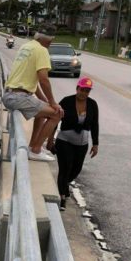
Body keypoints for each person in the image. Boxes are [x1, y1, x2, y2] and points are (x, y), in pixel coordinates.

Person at [1, 32, 63, 162]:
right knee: (57, 114)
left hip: (9, 93)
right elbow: (43, 79)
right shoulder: (42, 50)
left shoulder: (27, 46)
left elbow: (34, 83)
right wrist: (53, 102)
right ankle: (36, 150)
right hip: (19, 97)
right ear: (50, 41)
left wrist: (45, 101)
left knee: (42, 112)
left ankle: (32, 147)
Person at [46, 77, 100, 211]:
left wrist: (95, 144)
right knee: (65, 168)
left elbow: (95, 124)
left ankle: (64, 185)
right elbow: (54, 120)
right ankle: (62, 197)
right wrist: (50, 139)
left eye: (87, 91)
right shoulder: (66, 101)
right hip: (64, 141)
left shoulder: (92, 104)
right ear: (77, 89)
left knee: (76, 169)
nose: (84, 93)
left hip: (82, 143)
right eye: (82, 90)